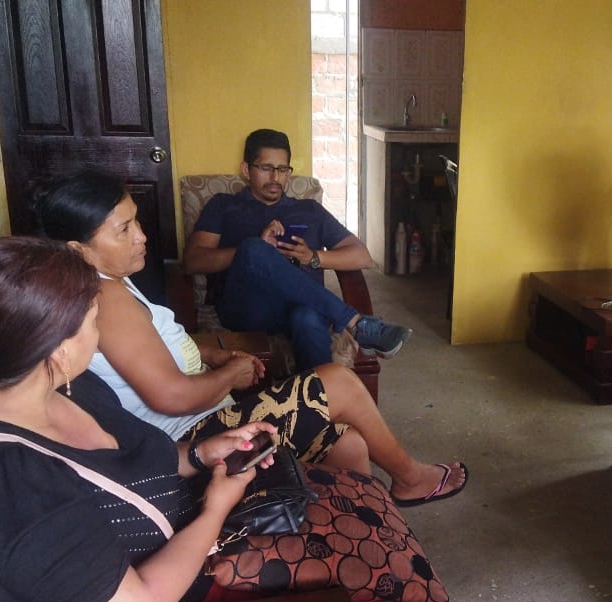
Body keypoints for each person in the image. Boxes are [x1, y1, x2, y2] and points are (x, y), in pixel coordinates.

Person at [0, 237, 467, 602]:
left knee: (356, 511)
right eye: (94, 320)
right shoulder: (3, 486)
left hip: (191, 537)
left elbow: (134, 464)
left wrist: (202, 454)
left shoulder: (62, 387)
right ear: (53, 346)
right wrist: (216, 509)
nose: (101, 332)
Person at [35, 170, 467, 507]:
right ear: (77, 248)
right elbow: (171, 396)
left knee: (349, 443)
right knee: (338, 381)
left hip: (207, 414)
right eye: (124, 229)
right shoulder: (106, 297)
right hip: (192, 438)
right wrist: (233, 373)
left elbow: (151, 347)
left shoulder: (109, 281)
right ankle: (410, 478)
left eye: (136, 222)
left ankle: (361, 530)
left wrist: (210, 353)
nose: (141, 236)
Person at [183, 127, 411, 368]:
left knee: (308, 318)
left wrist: (313, 257)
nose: (275, 177)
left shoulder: (309, 210)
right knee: (253, 248)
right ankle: (356, 322)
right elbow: (193, 261)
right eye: (266, 168)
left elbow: (362, 256)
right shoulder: (223, 205)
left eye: (282, 169)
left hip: (300, 306)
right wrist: (251, 249)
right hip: (246, 308)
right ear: (246, 169)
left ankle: (319, 391)